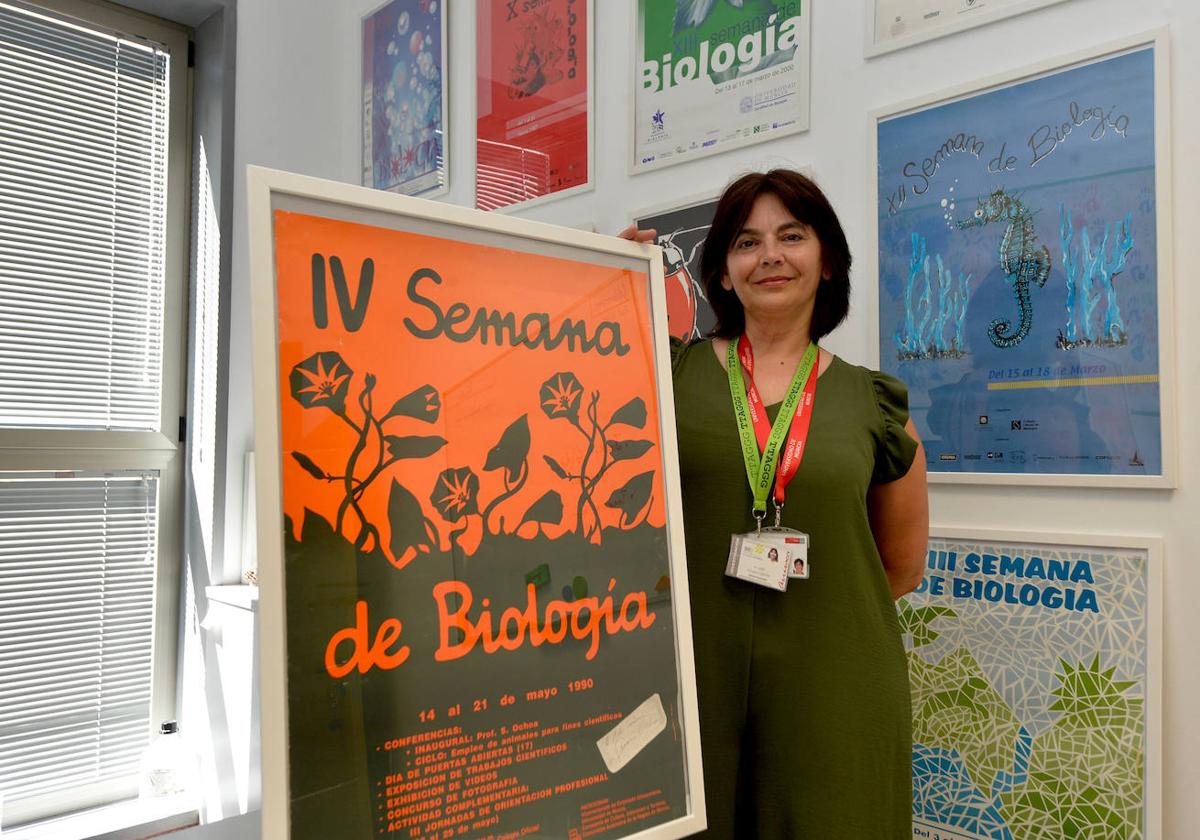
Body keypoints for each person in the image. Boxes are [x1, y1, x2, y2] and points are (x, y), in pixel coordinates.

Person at [620, 169, 928, 838]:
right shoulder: (666, 374)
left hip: (836, 681)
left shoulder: (877, 408)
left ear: (828, 261)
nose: (770, 256)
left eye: (792, 235)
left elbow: (899, 569)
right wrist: (606, 281)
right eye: (746, 242)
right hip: (690, 680)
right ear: (723, 274)